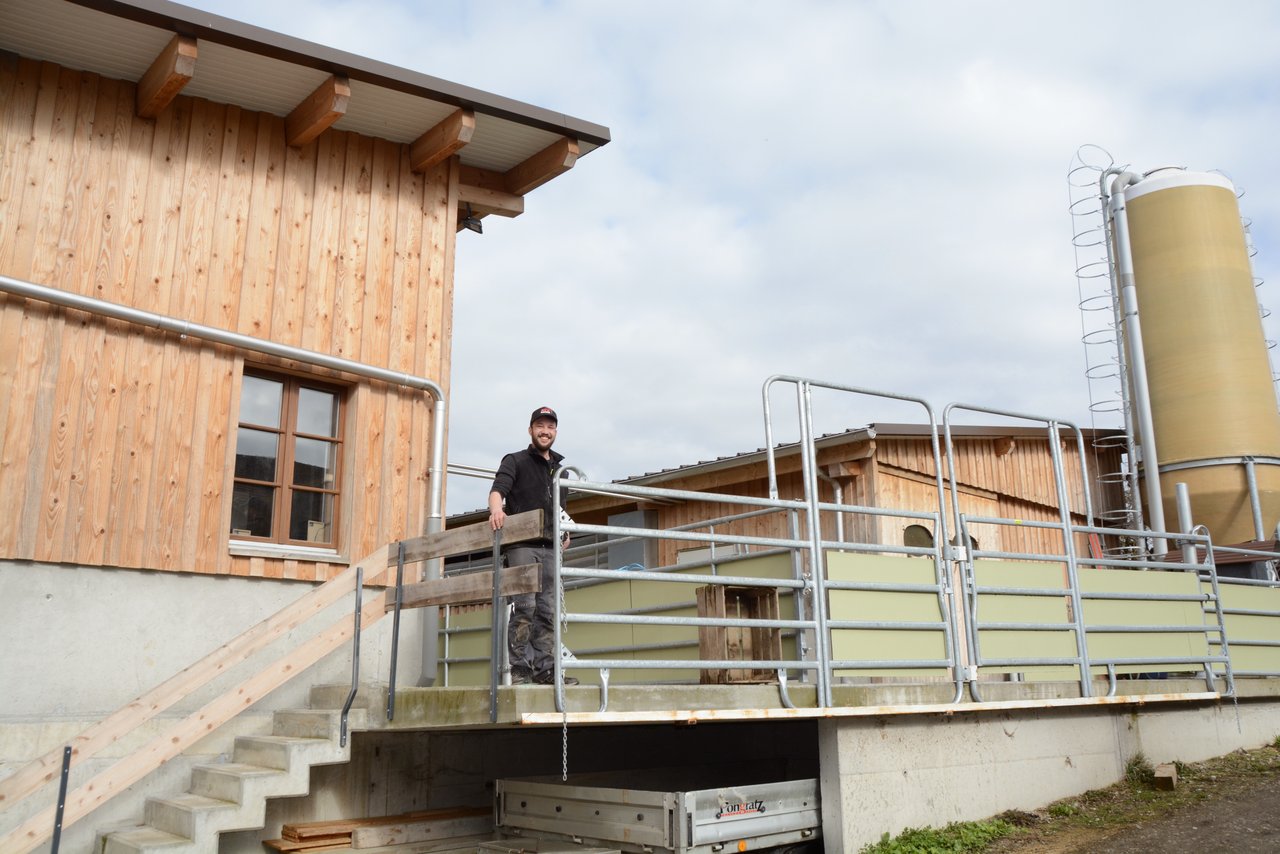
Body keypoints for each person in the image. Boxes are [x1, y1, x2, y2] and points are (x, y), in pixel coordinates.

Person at [488, 406, 578, 685]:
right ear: (531, 430)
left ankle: (545, 669)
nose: (545, 431)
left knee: (547, 610)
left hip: (551, 548)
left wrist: (565, 531)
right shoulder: (515, 460)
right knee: (524, 606)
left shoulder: (562, 470)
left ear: (555, 432)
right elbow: (497, 491)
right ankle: (520, 669)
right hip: (522, 546)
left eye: (550, 427)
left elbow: (559, 508)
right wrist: (495, 511)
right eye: (540, 425)